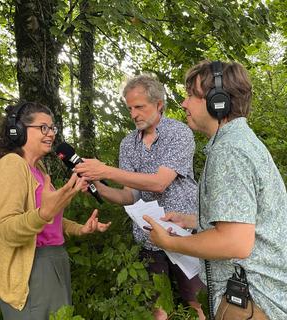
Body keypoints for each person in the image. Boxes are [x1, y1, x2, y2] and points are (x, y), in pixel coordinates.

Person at [143, 60, 287, 319]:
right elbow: (246, 220)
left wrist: (172, 241)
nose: (184, 104)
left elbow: (236, 242)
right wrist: (193, 221)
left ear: (218, 101)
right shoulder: (237, 142)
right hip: (256, 298)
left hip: (251, 301)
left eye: (191, 96)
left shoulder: (229, 151)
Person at [75, 74, 206, 319]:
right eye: (129, 108)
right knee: (158, 308)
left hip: (183, 232)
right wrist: (98, 185)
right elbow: (129, 196)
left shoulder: (178, 133)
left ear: (158, 105)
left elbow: (159, 182)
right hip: (149, 237)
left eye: (139, 107)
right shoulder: (128, 144)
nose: (134, 114)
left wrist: (105, 169)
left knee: (197, 302)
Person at [0, 101, 111, 320]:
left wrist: (80, 228)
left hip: (54, 260)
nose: (50, 133)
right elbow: (5, 230)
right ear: (19, 130)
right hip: (31, 268)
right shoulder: (11, 165)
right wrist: (43, 214)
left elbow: (48, 218)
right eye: (43, 127)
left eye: (53, 128)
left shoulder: (37, 169)